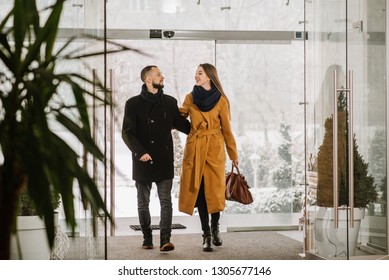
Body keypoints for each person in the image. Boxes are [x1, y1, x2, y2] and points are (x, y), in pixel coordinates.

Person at [122, 65, 190, 252]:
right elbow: (127, 133)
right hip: (142, 158)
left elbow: (181, 125)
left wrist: (203, 125)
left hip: (163, 158)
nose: (163, 76)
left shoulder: (169, 102)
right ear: (148, 79)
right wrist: (139, 151)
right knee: (143, 203)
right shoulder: (133, 103)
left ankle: (165, 240)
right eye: (159, 74)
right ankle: (147, 238)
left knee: (165, 201)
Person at [178, 63, 239, 252]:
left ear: (209, 77)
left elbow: (227, 130)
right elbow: (179, 118)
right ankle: (206, 234)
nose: (196, 76)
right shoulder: (190, 97)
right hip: (195, 149)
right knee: (201, 193)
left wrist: (233, 155)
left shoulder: (221, 100)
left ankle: (215, 227)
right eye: (195, 72)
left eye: (200, 73)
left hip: (214, 150)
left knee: (215, 191)